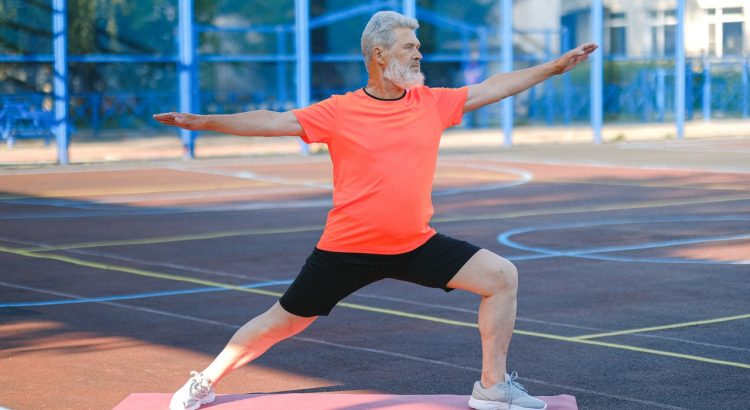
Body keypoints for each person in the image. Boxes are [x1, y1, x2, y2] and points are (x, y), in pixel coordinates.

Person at [154, 10, 596, 410]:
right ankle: (206, 380)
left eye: (419, 47)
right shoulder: (339, 111)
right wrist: (205, 122)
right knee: (281, 323)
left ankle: (492, 388)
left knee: (501, 277)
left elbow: (494, 86)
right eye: (410, 47)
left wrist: (554, 67)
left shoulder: (432, 103)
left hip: (413, 243)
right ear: (380, 55)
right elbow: (274, 120)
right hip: (346, 248)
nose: (419, 54)